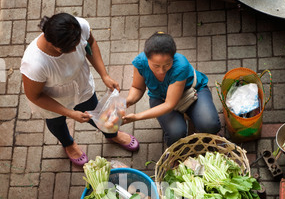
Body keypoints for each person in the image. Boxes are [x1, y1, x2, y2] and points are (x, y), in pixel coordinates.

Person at [20, 13, 139, 167]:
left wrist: (104, 75)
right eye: (72, 47)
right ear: (54, 45)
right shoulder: (34, 64)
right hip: (53, 101)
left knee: (98, 112)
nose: (78, 48)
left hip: (82, 89)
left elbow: (91, 43)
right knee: (57, 123)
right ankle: (68, 144)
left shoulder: (79, 27)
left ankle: (112, 134)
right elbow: (34, 96)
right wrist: (70, 113)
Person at [123, 32, 221, 146]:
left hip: (192, 91)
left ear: (173, 58)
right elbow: (137, 88)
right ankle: (175, 150)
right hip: (161, 98)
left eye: (167, 65)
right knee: (176, 133)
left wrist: (136, 117)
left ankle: (208, 133)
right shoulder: (140, 62)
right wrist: (128, 101)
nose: (161, 70)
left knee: (210, 125)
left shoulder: (181, 65)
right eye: (156, 66)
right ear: (146, 58)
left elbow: (170, 104)